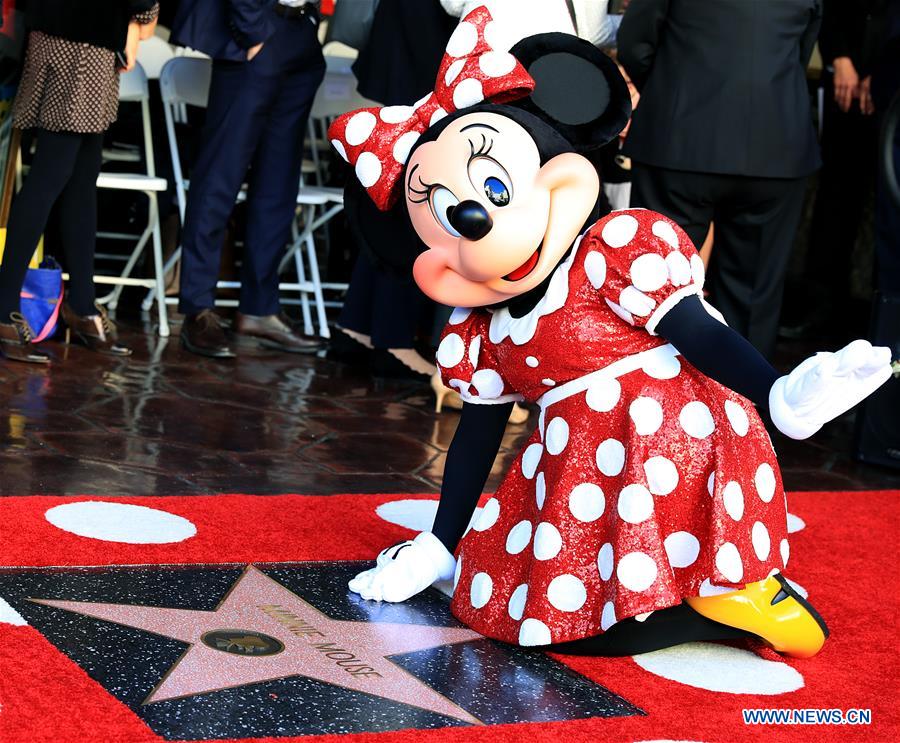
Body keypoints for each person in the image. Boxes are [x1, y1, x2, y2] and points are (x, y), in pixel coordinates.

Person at [329, 8, 892, 656]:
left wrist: (778, 394)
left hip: (678, 448)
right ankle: (719, 606)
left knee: (571, 620)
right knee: (522, 614)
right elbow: (477, 436)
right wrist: (440, 543)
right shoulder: (483, 328)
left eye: (493, 187)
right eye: (448, 220)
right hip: (585, 475)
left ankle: (731, 595)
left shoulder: (614, 247)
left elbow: (698, 333)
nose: (476, 220)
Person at [617, 0, 822, 359]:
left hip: (680, 139)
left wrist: (668, 88)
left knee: (655, 282)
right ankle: (746, 391)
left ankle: (650, 387)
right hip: (774, 143)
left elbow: (635, 43)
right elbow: (800, 51)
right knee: (753, 296)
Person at [0, 0, 158, 363]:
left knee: (81, 175)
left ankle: (82, 305)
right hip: (81, 37)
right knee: (52, 174)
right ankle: (6, 308)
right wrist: (144, 13)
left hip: (78, 32)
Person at [170, 0, 325, 358]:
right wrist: (252, 29)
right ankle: (198, 308)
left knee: (278, 186)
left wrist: (309, 20)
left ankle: (259, 307)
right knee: (219, 178)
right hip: (258, 29)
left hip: (299, 31)